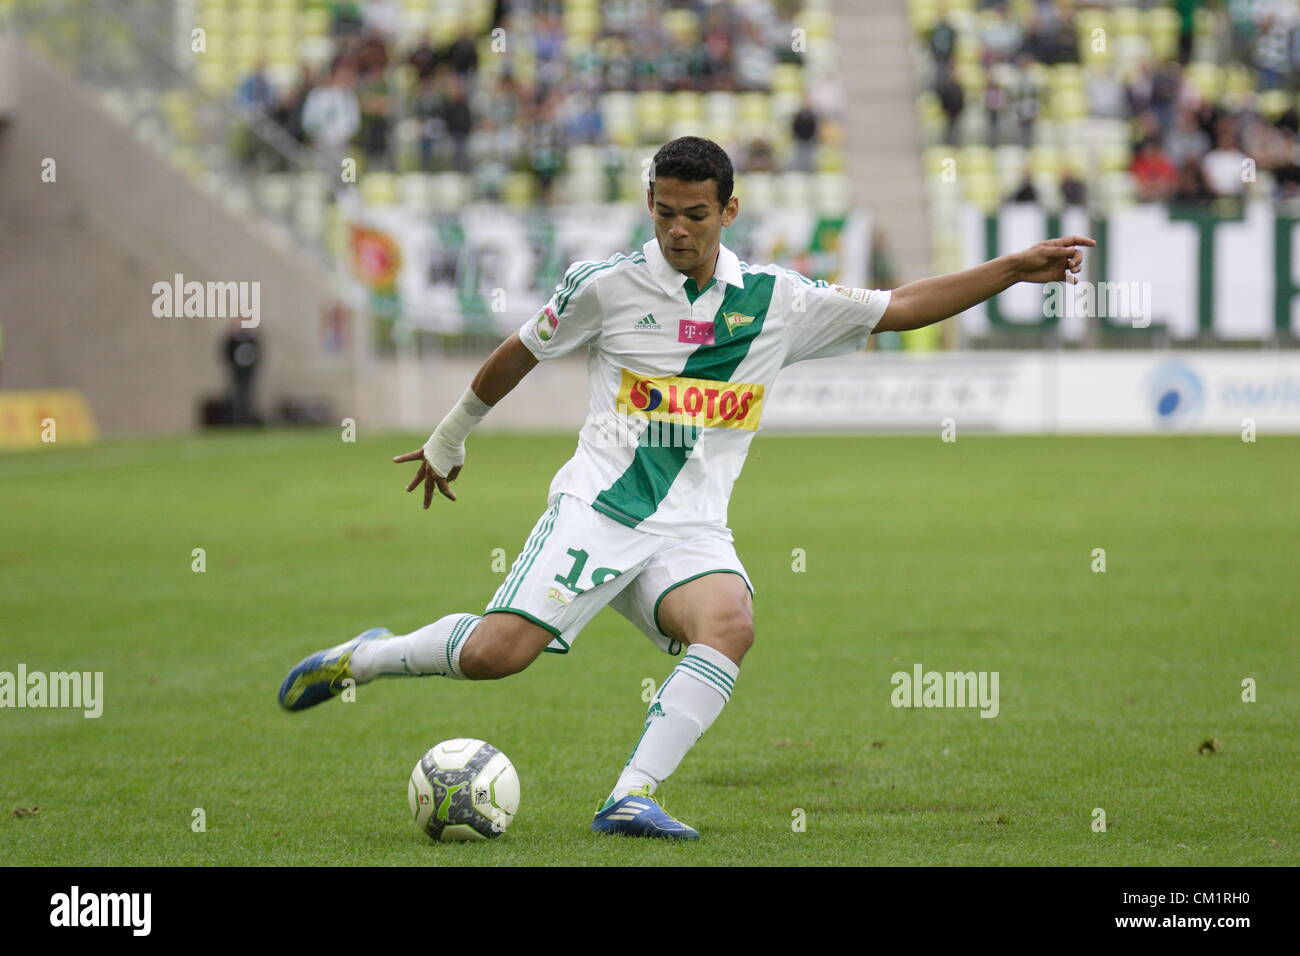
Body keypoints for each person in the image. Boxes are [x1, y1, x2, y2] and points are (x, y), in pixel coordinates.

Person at [277, 136, 1093, 840]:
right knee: (498, 657)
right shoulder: (604, 285)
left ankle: (631, 796)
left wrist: (1013, 269)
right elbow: (519, 351)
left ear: (728, 211)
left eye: (694, 214)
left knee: (730, 622)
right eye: (663, 211)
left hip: (691, 530)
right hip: (599, 511)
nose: (675, 229)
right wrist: (449, 437)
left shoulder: (779, 301)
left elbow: (903, 305)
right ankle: (368, 658)